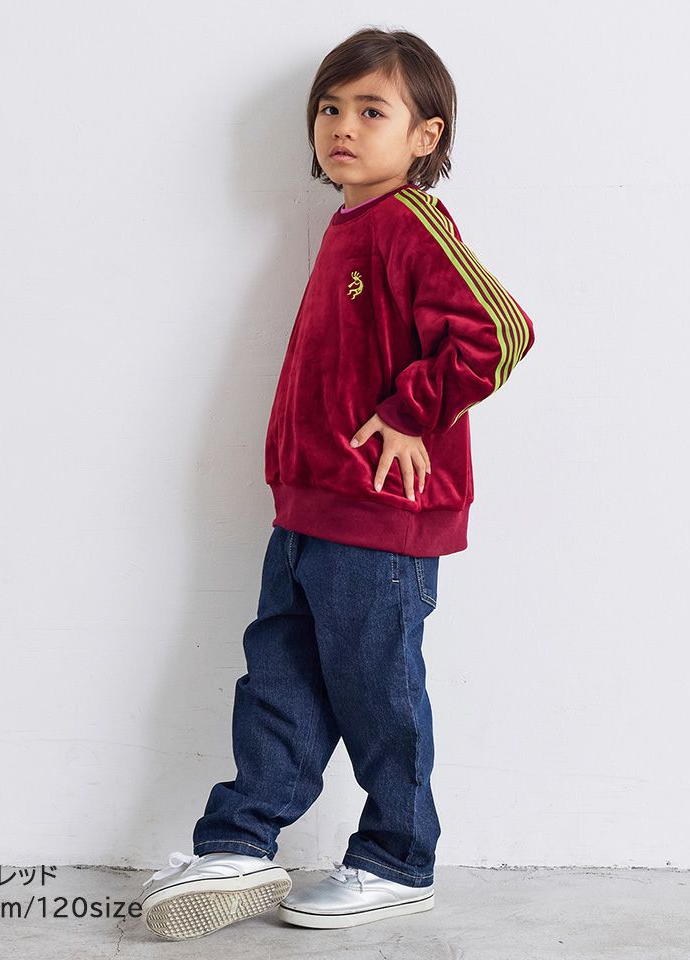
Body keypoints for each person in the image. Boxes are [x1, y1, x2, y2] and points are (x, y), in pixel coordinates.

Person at [139, 25, 536, 940]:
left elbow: (502, 330)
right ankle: (240, 842)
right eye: (329, 108)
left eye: (371, 110)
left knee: (376, 691)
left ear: (425, 136)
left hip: (380, 519)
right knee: (278, 680)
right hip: (310, 513)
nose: (342, 126)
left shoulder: (410, 223)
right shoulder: (351, 225)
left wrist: (411, 412)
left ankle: (398, 858)